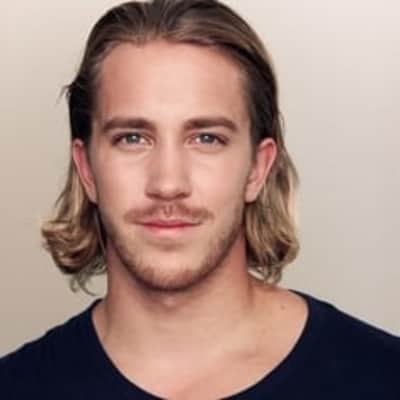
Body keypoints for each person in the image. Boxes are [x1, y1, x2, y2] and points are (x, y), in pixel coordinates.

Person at [1, 0, 399, 398]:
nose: (168, 183)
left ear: (257, 169)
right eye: (132, 138)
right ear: (86, 169)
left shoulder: (383, 377)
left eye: (207, 138)